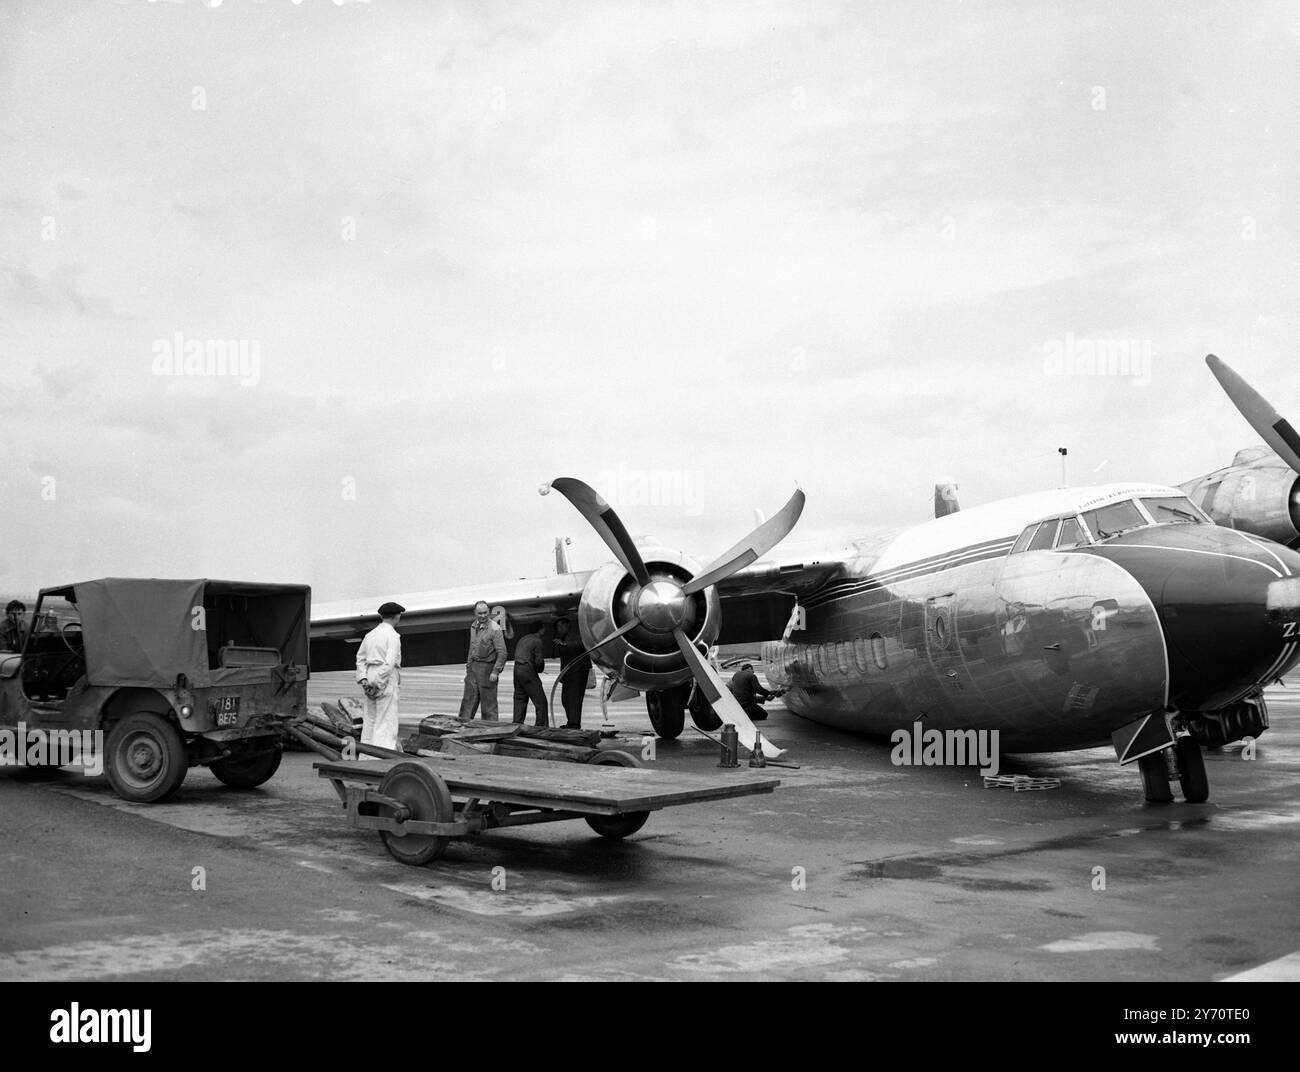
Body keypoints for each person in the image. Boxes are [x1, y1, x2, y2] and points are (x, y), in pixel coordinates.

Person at [355, 602, 404, 751]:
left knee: (370, 718)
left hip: (370, 673)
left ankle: (366, 754)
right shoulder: (393, 636)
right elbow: (389, 663)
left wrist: (364, 679)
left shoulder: (370, 635)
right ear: (397, 616)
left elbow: (360, 658)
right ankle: (383, 753)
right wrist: (379, 683)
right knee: (386, 719)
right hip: (385, 677)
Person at [459, 600, 507, 721]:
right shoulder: (473, 625)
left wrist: (495, 671)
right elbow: (472, 647)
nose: (483, 616)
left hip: (487, 668)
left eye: (485, 613)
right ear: (475, 613)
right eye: (480, 613)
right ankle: (461, 727)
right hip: (473, 667)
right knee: (468, 700)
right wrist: (469, 667)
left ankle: (490, 731)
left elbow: (502, 652)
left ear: (489, 612)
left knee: (488, 705)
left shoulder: (495, 628)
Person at [552, 616, 591, 728]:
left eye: (560, 626)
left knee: (574, 699)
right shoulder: (563, 637)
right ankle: (571, 721)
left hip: (577, 672)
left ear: (566, 625)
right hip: (569, 672)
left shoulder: (576, 634)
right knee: (566, 699)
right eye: (557, 627)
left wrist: (564, 644)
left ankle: (574, 723)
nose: (558, 629)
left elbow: (580, 644)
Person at [511, 621, 549, 727]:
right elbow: (539, 661)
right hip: (527, 671)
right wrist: (539, 670)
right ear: (540, 629)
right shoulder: (537, 641)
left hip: (516, 670)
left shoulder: (523, 639)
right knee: (541, 702)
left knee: (520, 699)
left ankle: (516, 725)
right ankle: (541, 727)